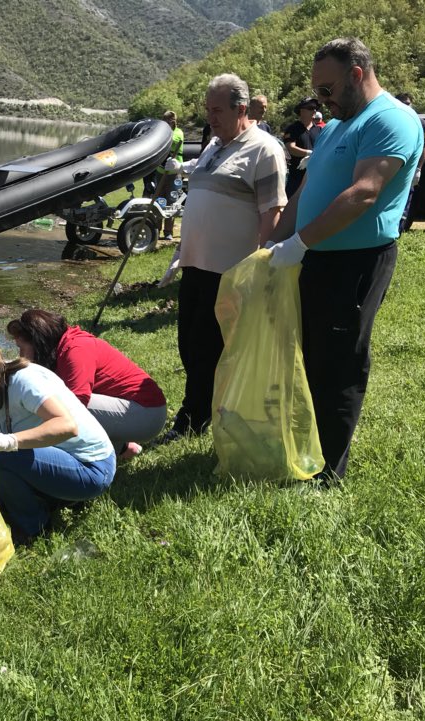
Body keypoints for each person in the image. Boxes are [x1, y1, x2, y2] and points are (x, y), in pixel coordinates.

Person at [266, 37, 422, 481]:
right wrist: (273, 242)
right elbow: (304, 193)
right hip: (313, 257)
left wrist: (298, 244)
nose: (321, 100)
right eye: (316, 91)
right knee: (310, 354)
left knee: (339, 361)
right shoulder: (336, 126)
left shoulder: (390, 119)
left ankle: (328, 471)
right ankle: (304, 449)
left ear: (357, 74)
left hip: (355, 262)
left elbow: (364, 193)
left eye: (327, 89)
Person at [158, 73, 287, 444]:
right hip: (195, 265)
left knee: (208, 349)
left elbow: (272, 212)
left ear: (241, 109)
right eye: (207, 109)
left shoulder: (264, 150)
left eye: (217, 110)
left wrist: (263, 268)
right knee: (189, 344)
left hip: (229, 272)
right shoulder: (214, 145)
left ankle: (194, 419)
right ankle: (204, 412)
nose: (210, 117)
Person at [0, 329, 116, 544]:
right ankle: (52, 499)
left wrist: (9, 441)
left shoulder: (22, 380)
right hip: (58, 463)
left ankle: (33, 526)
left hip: (91, 468)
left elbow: (67, 426)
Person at [6, 309, 167, 458]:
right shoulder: (62, 345)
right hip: (135, 410)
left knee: (56, 407)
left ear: (38, 342)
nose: (20, 355)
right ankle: (122, 448)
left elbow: (76, 405)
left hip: (147, 415)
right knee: (50, 403)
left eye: (22, 348)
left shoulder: (75, 350)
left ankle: (78, 459)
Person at [394, 92, 425, 232]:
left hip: (408, 168)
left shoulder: (419, 122)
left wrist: (418, 169)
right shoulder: (391, 120)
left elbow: (424, 147)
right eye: (403, 103)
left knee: (405, 200)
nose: (406, 106)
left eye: (408, 103)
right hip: (391, 166)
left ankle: (399, 231)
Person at [153, 110, 185, 240]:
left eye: (170, 121)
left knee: (172, 201)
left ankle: (168, 232)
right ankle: (156, 230)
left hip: (174, 174)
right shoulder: (162, 133)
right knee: (159, 200)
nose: (167, 123)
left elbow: (173, 140)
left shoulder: (178, 132)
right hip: (161, 172)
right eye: (165, 121)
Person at [283, 97, 323, 198]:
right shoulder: (293, 129)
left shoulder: (319, 130)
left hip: (315, 177)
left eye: (315, 108)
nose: (314, 111)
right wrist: (308, 153)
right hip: (296, 178)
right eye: (310, 108)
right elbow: (290, 148)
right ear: (301, 111)